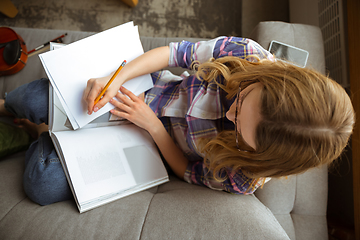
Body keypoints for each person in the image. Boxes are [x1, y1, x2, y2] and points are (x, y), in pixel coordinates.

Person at [1, 37, 355, 205]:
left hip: (150, 148)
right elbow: (173, 54)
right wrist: (116, 79)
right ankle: (30, 119)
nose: (229, 114)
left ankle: (39, 131)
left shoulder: (246, 176)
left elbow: (188, 171)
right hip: (148, 92)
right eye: (242, 99)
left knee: (42, 184)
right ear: (272, 78)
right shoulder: (246, 55)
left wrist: (152, 127)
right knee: (24, 99)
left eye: (240, 132)